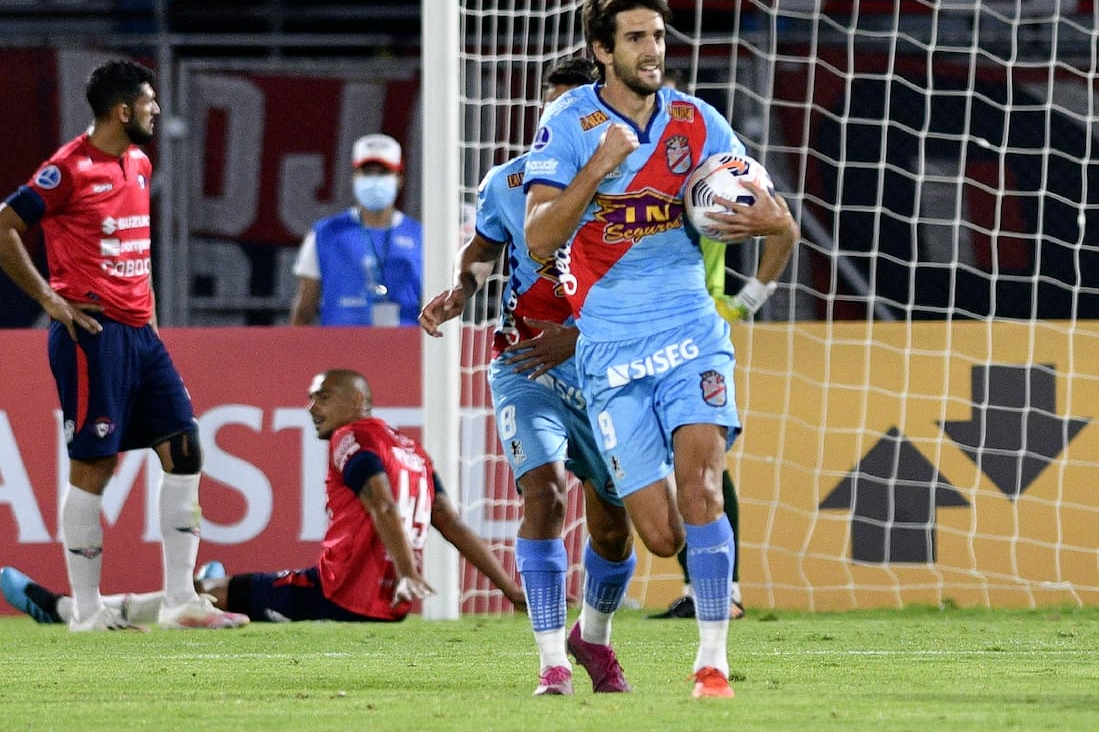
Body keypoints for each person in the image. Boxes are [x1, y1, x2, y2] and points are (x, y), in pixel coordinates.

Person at [523, 0, 800, 698]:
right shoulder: (567, 122)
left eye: (658, 36)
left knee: (702, 486)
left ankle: (713, 661)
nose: (653, 50)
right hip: (609, 352)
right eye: (637, 39)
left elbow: (776, 216)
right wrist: (599, 167)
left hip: (690, 332)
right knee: (660, 534)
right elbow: (539, 236)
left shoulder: (698, 121)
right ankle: (590, 633)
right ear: (602, 52)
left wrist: (761, 252)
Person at [0, 59, 247, 632]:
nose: (156, 111)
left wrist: (154, 324)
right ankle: (87, 612)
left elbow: (139, 252)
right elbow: (5, 226)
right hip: (93, 335)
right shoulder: (68, 170)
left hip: (141, 334)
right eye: (149, 102)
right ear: (122, 110)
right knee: (94, 464)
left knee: (184, 450)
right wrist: (51, 302)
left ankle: (182, 599)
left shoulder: (138, 162)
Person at [420, 58, 635, 697]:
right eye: (553, 112)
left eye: (579, 110)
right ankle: (551, 661)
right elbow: (483, 252)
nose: (563, 123)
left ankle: (590, 638)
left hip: (605, 367)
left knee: (615, 524)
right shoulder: (508, 182)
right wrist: (460, 289)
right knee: (542, 495)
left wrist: (579, 335)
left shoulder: (635, 191)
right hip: (524, 363)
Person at [1, 369, 526, 625]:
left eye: (323, 396)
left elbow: (382, 504)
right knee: (213, 592)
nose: (311, 406)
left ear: (358, 400)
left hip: (335, 597)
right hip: (385, 608)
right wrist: (508, 586)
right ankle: (180, 590)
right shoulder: (413, 451)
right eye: (308, 397)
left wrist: (410, 570)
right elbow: (450, 523)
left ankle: (70, 609)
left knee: (216, 595)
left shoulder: (353, 438)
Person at [649, 69, 800, 621]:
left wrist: (749, 299)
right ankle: (705, 589)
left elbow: (783, 226)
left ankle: (720, 593)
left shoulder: (716, 176)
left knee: (705, 469)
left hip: (694, 332)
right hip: (627, 332)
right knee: (673, 473)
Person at [290, 133, 422, 327]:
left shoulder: (421, 236)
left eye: (384, 172)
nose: (375, 179)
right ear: (355, 177)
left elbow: (432, 302)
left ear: (399, 178)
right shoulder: (325, 234)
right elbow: (305, 309)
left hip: (405, 348)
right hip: (339, 349)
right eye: (367, 172)